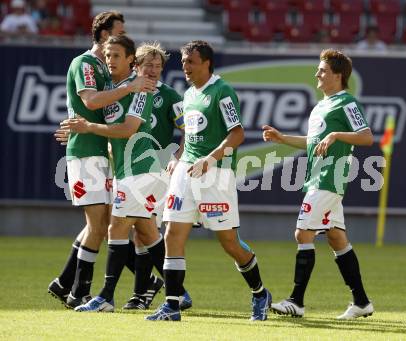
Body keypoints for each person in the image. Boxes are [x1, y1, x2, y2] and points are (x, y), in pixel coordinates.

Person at [146, 40, 272, 322]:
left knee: (229, 242)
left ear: (207, 63)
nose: (185, 67)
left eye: (191, 61)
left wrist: (210, 159)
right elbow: (188, 136)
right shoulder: (189, 94)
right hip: (187, 171)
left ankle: (260, 293)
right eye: (183, 62)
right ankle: (172, 305)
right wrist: (178, 157)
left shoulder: (222, 91)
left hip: (216, 173)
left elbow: (237, 134)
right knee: (172, 233)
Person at [47, 11, 155, 309]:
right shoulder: (85, 64)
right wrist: (129, 87)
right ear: (104, 33)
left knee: (104, 223)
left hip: (101, 150)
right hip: (86, 152)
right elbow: (91, 101)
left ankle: (66, 284)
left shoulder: (106, 70)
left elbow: (99, 112)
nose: (121, 34)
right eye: (118, 30)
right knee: (99, 225)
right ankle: (79, 291)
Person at [262, 49, 374, 320]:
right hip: (318, 177)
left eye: (322, 70)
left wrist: (336, 134)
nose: (317, 74)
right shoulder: (321, 106)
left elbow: (367, 138)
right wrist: (282, 138)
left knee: (303, 234)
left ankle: (296, 301)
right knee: (336, 238)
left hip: (329, 179)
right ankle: (361, 301)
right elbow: (313, 143)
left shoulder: (346, 102)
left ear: (338, 75)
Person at [121, 41, 188, 311]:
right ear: (136, 65)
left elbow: (188, 131)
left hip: (156, 171)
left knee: (142, 229)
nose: (154, 70)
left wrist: (178, 158)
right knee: (131, 231)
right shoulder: (125, 91)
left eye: (158, 66)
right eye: (148, 64)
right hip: (128, 169)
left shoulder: (170, 96)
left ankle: (142, 293)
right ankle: (161, 287)